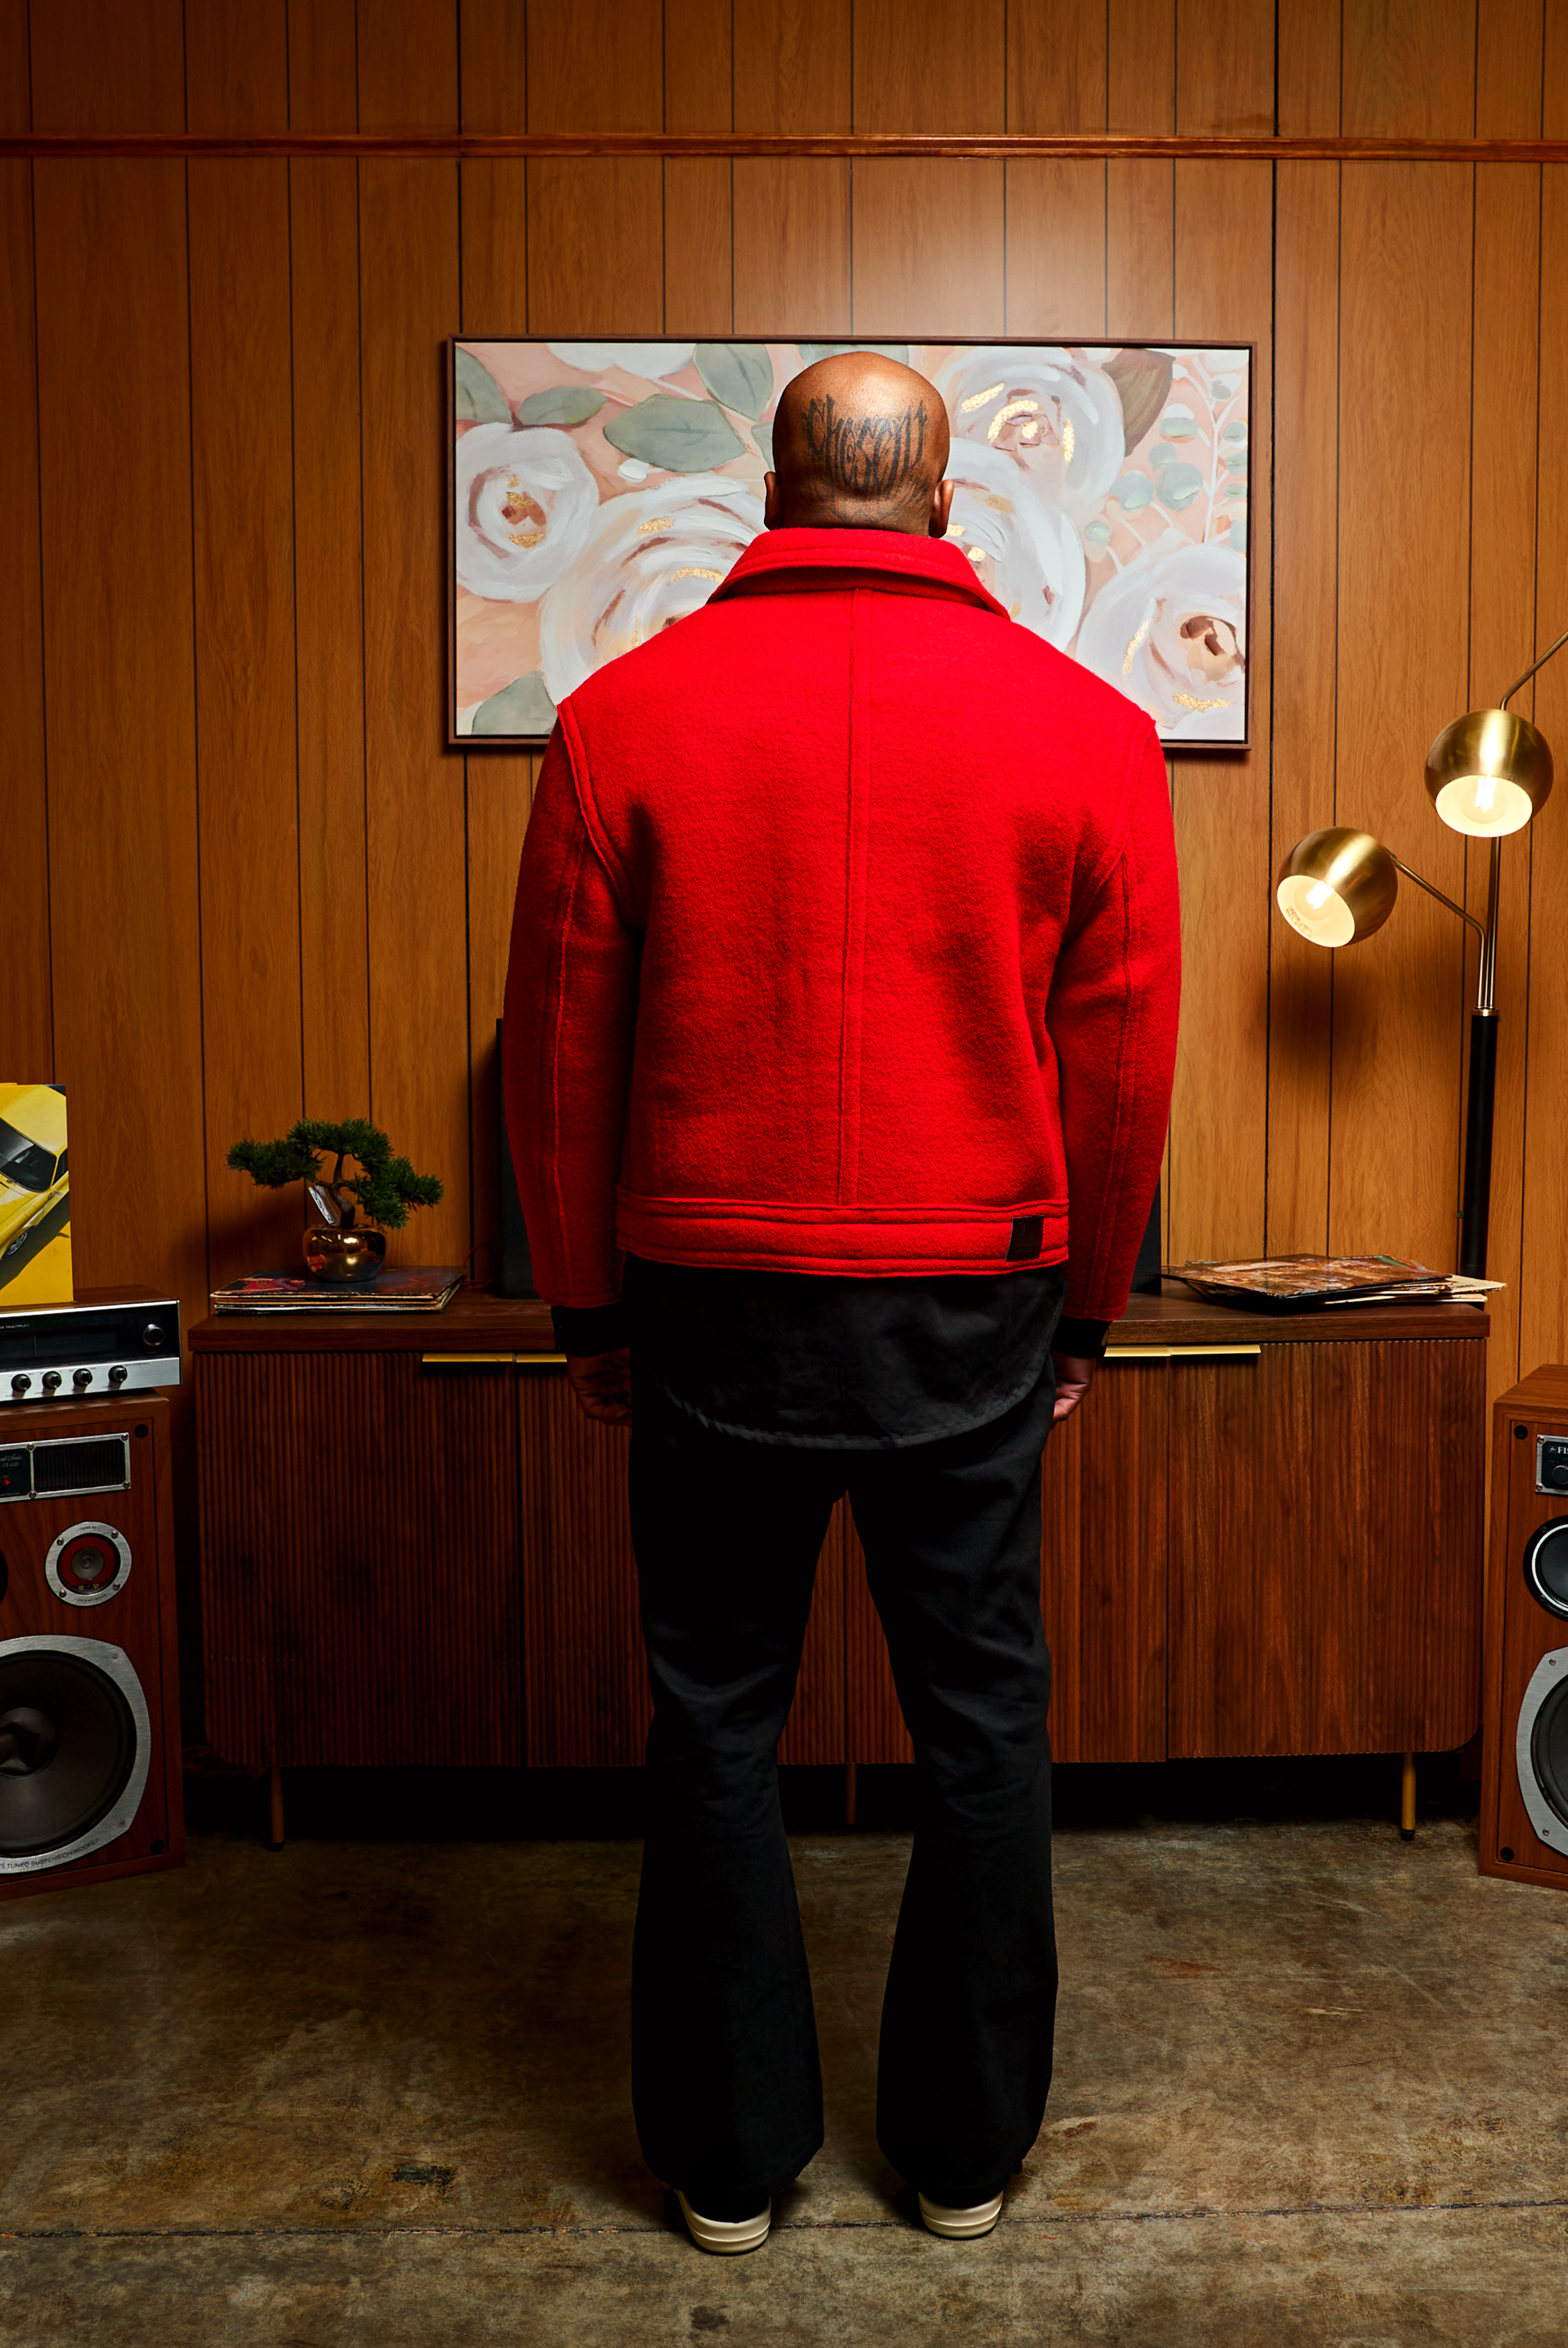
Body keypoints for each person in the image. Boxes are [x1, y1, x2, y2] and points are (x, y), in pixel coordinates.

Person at [503, 352, 1180, 2255]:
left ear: (773, 495)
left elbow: (561, 1044)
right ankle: (960, 2156)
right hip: (975, 1288)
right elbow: (1121, 1058)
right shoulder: (1087, 728)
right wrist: (1086, 1317)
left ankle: (728, 2164)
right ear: (943, 503)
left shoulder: (621, 717)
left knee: (712, 1716)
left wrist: (583, 1312)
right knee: (982, 1721)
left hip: (709, 1291)